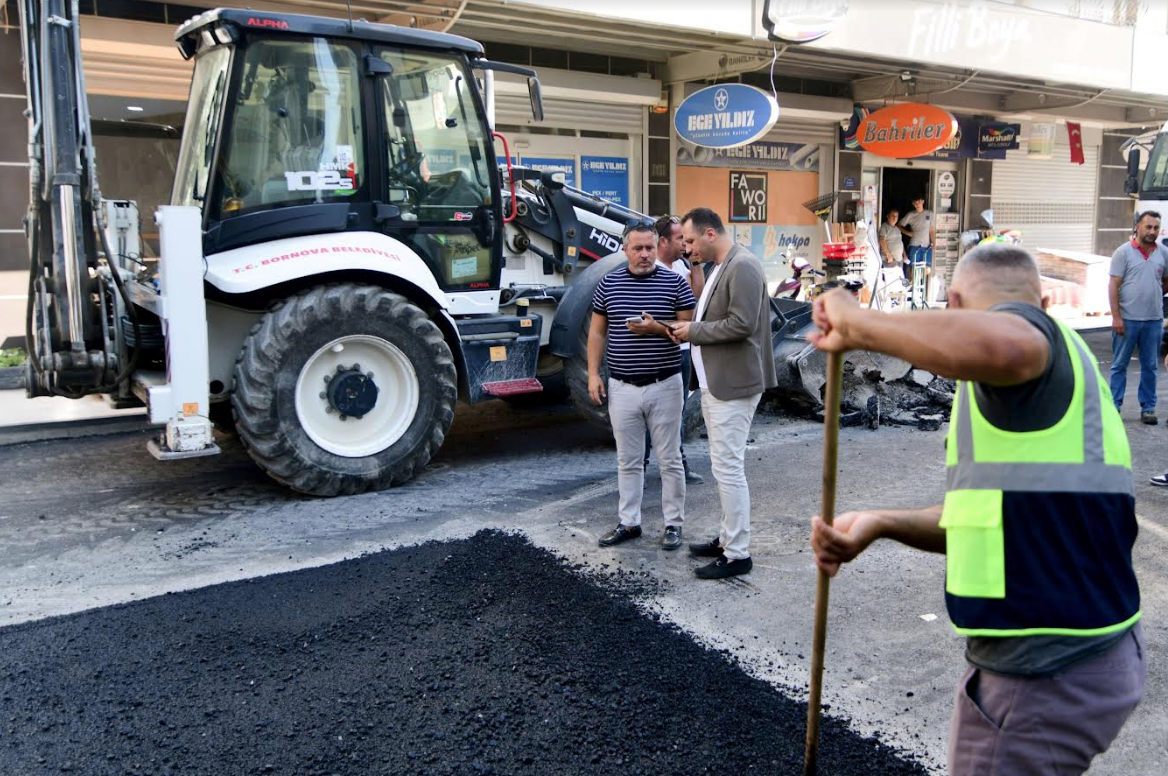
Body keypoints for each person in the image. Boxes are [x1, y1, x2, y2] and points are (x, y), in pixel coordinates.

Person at [808, 244, 1145, 776]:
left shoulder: (1025, 345)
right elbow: (988, 516)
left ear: (955, 301)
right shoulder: (1064, 373)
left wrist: (861, 323)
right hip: (1088, 655)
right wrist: (881, 523)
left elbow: (1008, 346)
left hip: (1045, 670)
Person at [669, 208, 778, 579]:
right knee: (723, 467)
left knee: (729, 469)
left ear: (710, 233)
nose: (686, 247)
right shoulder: (725, 263)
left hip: (734, 384)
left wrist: (693, 332)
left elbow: (742, 325)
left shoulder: (742, 266)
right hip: (721, 383)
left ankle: (737, 554)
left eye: (690, 240)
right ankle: (727, 538)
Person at [588, 220, 696, 551]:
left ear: (658, 246)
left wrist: (656, 329)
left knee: (669, 458)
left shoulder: (675, 282)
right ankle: (629, 522)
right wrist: (593, 374)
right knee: (629, 459)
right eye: (638, 248)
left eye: (650, 247)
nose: (645, 254)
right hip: (621, 387)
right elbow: (597, 332)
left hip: (665, 384)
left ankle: (673, 524)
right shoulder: (608, 284)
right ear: (625, 249)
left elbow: (689, 327)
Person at [642, 215, 705, 485]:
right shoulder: (651, 269)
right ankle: (641, 467)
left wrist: (696, 264)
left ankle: (678, 465)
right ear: (664, 240)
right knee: (649, 411)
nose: (684, 243)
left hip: (684, 349)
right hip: (660, 351)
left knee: (677, 410)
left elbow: (697, 298)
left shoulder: (681, 265)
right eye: (680, 238)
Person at [1108, 211, 1167, 425]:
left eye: (1155, 228)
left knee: (1150, 366)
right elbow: (1113, 285)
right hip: (1127, 320)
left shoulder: (1163, 253)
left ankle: (1148, 408)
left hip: (1153, 320)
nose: (1152, 231)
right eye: (1148, 227)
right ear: (1138, 227)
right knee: (1119, 365)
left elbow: (1166, 281)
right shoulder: (1122, 253)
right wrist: (1117, 317)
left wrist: (1153, 296)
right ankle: (1114, 406)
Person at [898, 196, 934, 299]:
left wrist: (933, 244)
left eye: (919, 201)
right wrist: (908, 233)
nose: (917, 204)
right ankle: (914, 293)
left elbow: (931, 230)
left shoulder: (929, 214)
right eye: (915, 202)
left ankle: (915, 286)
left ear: (923, 201)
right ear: (913, 204)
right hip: (914, 245)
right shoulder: (911, 215)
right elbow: (898, 225)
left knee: (927, 270)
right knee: (914, 270)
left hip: (926, 246)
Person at [876, 208, 906, 309]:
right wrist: (888, 255)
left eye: (896, 216)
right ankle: (891, 301)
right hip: (889, 259)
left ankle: (896, 299)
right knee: (891, 280)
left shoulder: (897, 229)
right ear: (887, 216)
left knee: (897, 280)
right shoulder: (884, 227)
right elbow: (882, 240)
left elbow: (900, 243)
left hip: (898, 259)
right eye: (893, 215)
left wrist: (904, 255)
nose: (894, 218)